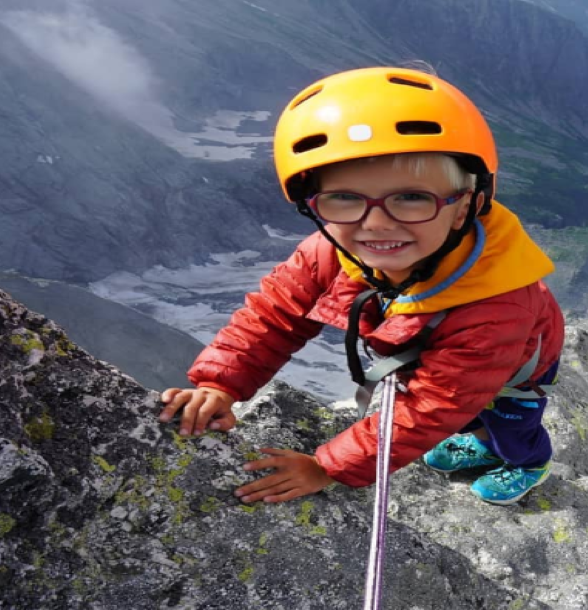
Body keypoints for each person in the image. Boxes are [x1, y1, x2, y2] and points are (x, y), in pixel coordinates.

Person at [159, 66, 565, 506]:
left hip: (518, 362)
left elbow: (434, 407)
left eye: (411, 197)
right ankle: (482, 440)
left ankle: (527, 462)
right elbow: (274, 317)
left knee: (509, 419)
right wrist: (221, 384)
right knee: (470, 416)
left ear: (469, 203)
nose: (375, 223)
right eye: (345, 198)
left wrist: (327, 467)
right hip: (446, 355)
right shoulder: (331, 252)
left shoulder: (496, 307)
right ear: (315, 207)